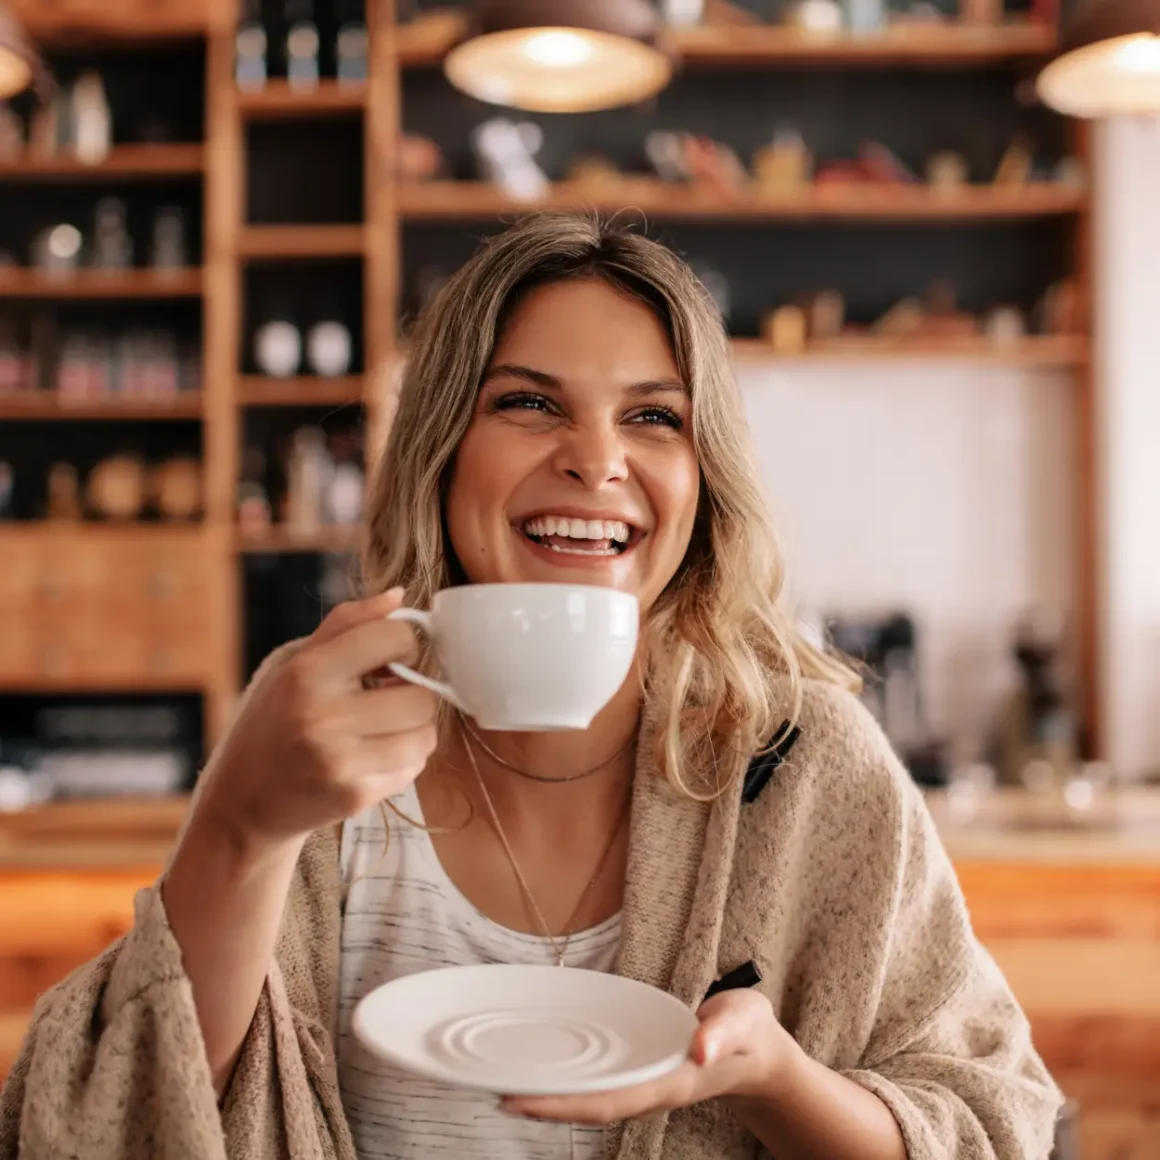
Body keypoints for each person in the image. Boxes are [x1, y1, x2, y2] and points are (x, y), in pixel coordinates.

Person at [0, 214, 1061, 1160]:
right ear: (442, 448)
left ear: (703, 480)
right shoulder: (327, 768)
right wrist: (237, 823)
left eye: (652, 416)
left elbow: (992, 1119)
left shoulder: (798, 760)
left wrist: (774, 1078)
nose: (594, 459)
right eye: (526, 401)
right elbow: (99, 1125)